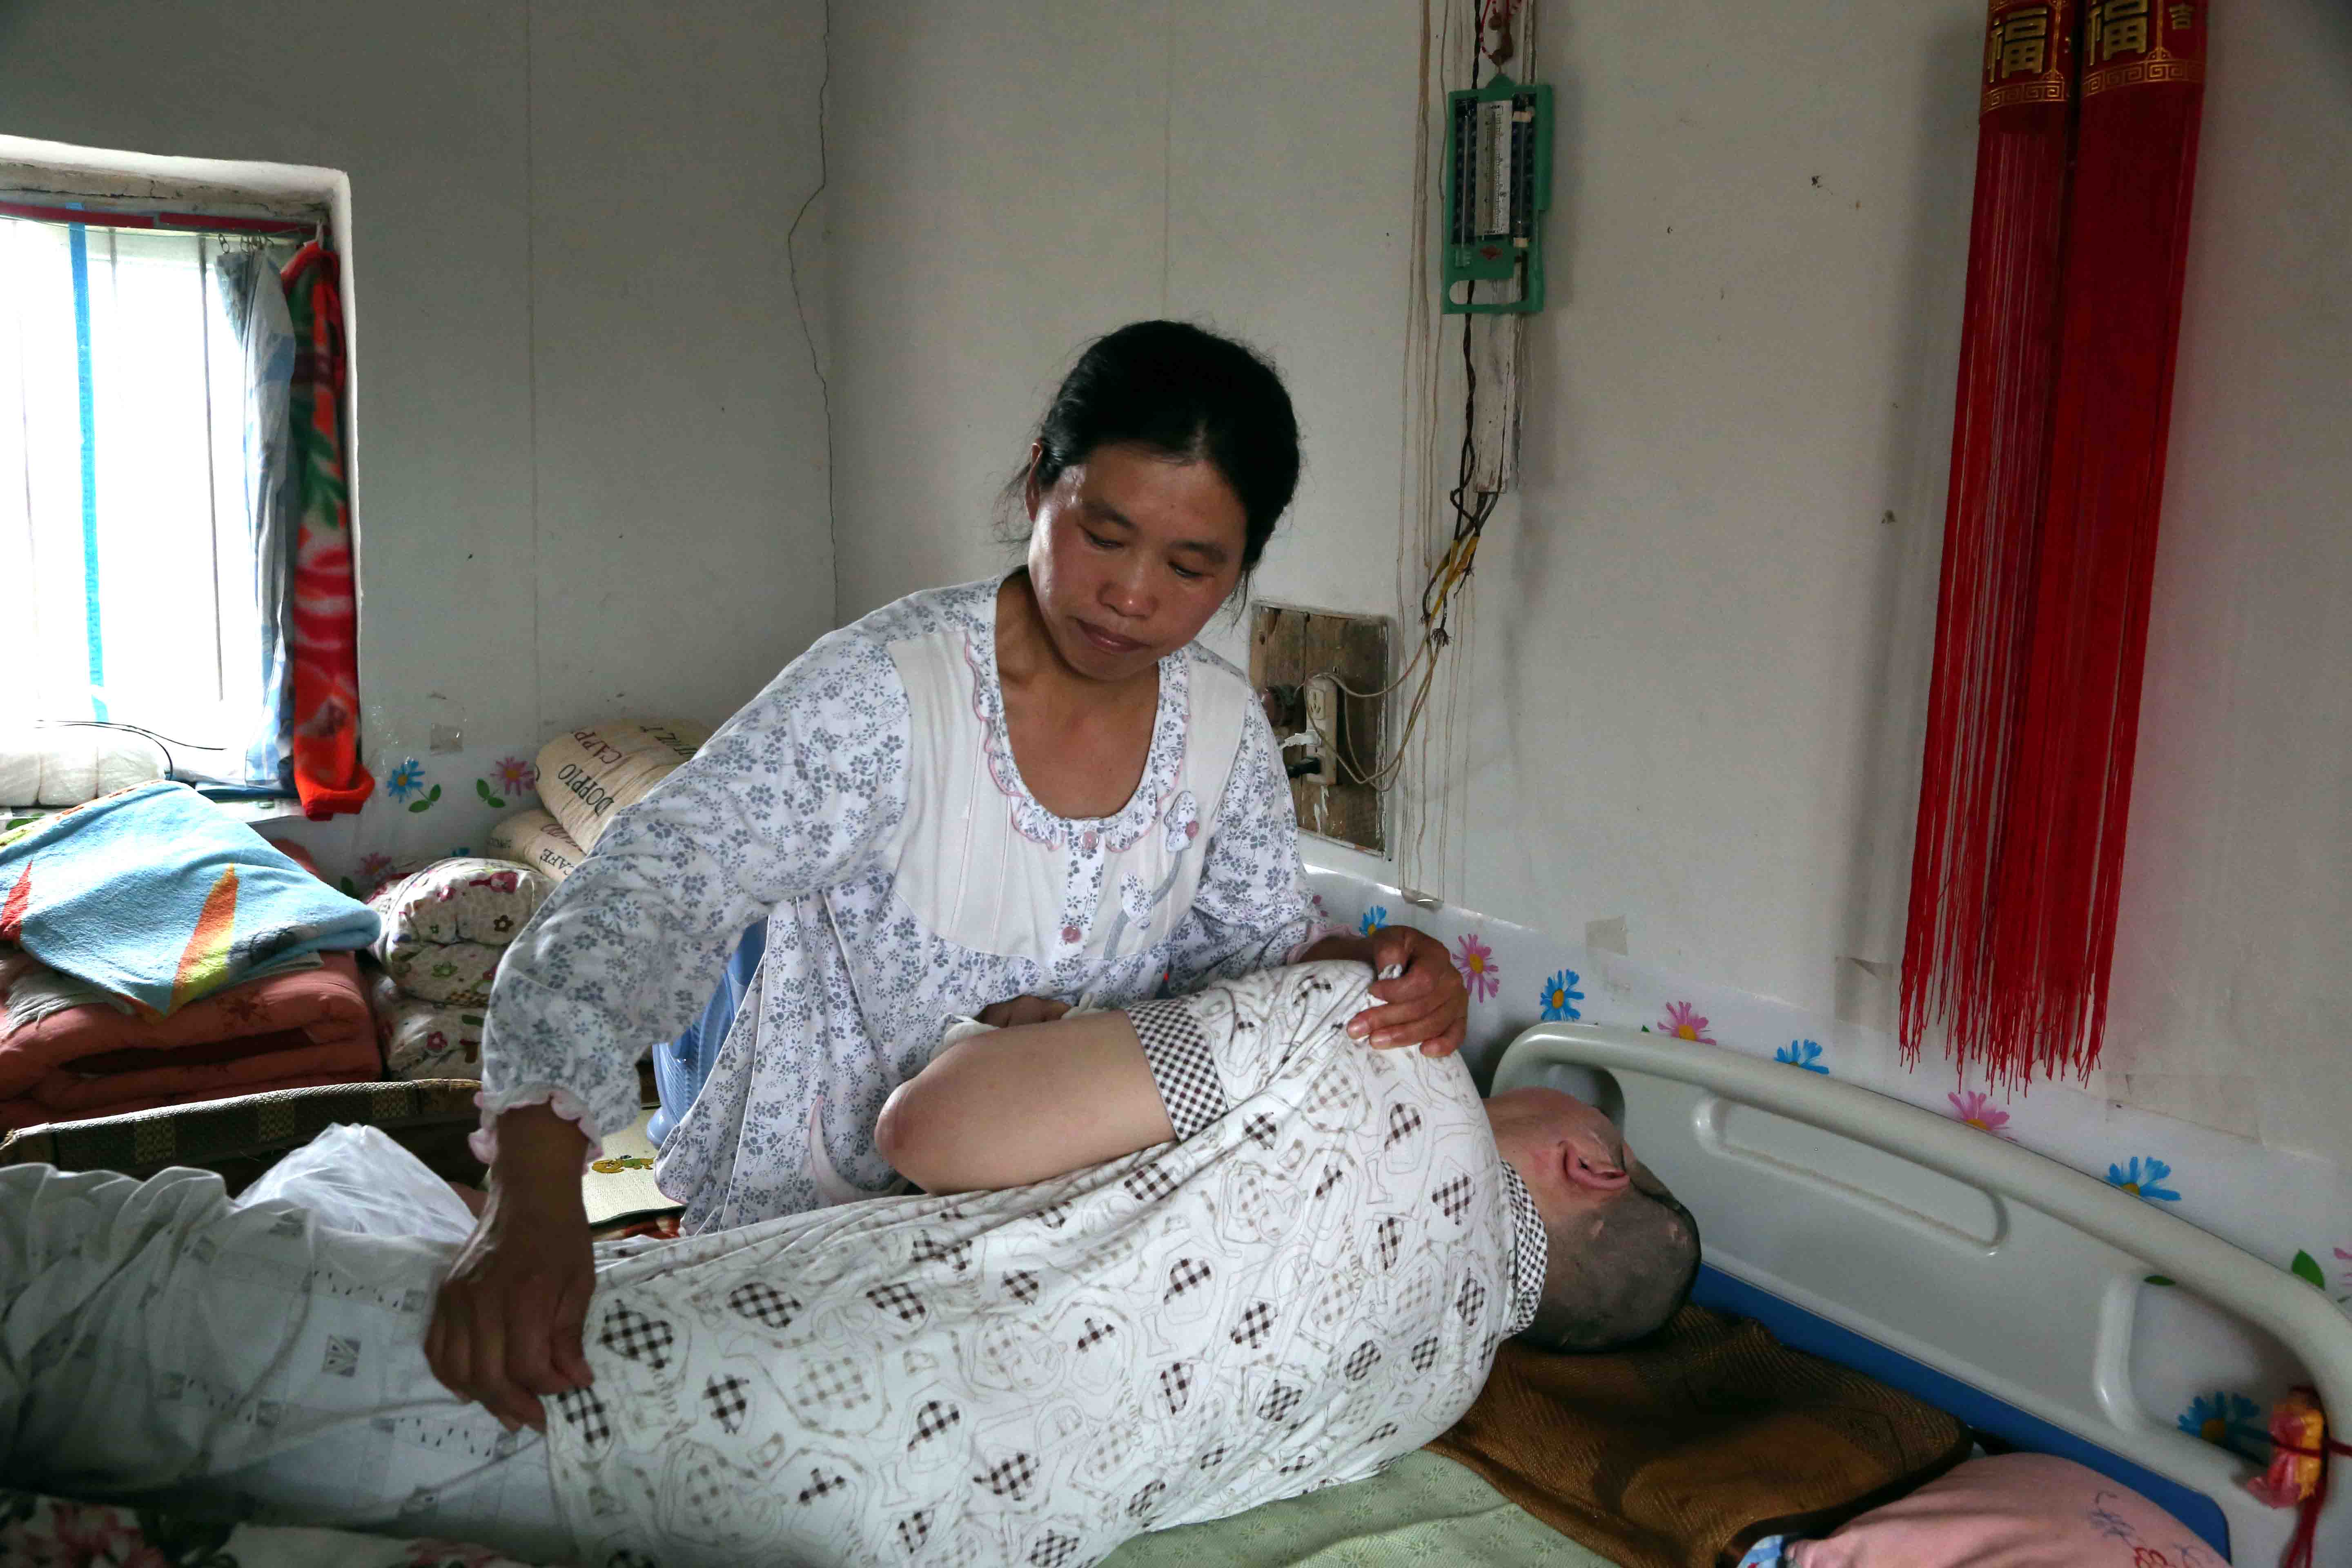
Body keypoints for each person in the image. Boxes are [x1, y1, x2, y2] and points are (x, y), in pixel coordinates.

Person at [447, 321, 1471, 1414]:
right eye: (1104, 535)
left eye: (1191, 566)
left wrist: (1380, 973)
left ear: (1241, 566)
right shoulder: (891, 695)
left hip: (1056, 1249)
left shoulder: (1222, 732)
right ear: (1038, 486)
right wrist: (532, 1195)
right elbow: (646, 895)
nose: (1132, 594)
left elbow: (1257, 962)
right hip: (821, 1234)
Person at [0, 962, 1696, 1568]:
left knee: (111, 1285)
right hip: (937, 1532)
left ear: (1593, 1162)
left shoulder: (1383, 1043)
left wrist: (1018, 1044)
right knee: (352, 1200)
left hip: (779, 1394)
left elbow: (933, 1133)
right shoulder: (1431, 1390)